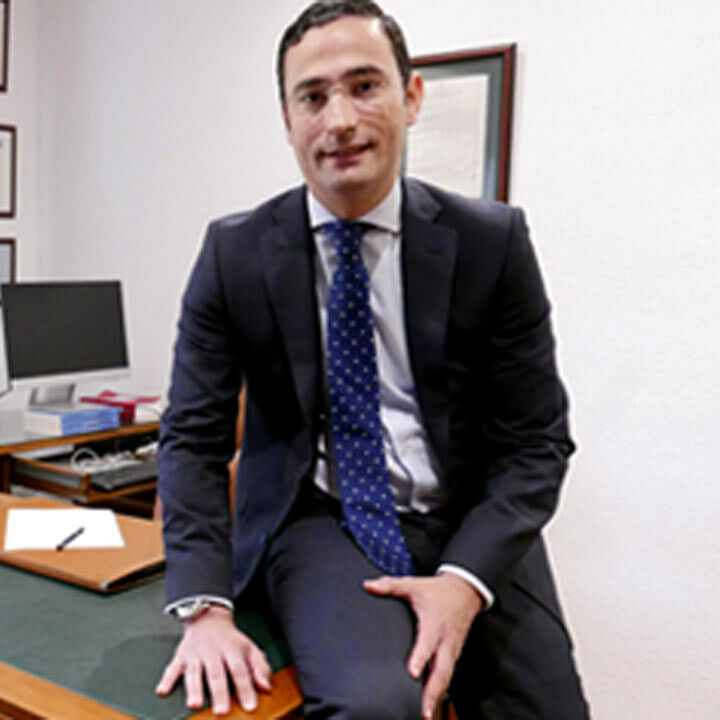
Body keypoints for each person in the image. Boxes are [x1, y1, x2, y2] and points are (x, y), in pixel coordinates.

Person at [155, 1, 590, 718]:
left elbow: (536, 442)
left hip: (469, 516)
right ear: (287, 119)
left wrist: (464, 581)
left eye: (365, 86)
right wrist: (205, 609)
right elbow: (193, 438)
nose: (340, 121)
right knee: (379, 707)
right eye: (312, 97)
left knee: (550, 710)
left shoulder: (492, 244)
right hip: (324, 519)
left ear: (411, 97)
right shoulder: (234, 254)